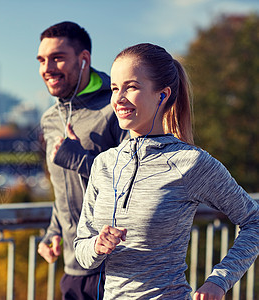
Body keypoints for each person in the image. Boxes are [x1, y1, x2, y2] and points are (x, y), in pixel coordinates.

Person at [74, 42, 259, 300]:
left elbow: (254, 220)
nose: (119, 98)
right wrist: (96, 246)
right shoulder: (103, 164)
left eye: (132, 87)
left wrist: (220, 280)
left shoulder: (190, 162)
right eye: (115, 88)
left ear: (162, 95)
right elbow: (81, 252)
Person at [36, 21, 126, 299]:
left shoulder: (116, 109)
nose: (47, 68)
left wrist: (79, 159)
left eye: (57, 58)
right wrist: (53, 232)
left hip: (113, 268)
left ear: (84, 59)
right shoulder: (50, 119)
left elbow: (130, 186)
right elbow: (65, 190)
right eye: (41, 60)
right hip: (73, 268)